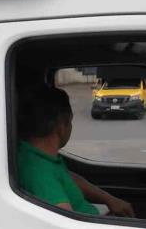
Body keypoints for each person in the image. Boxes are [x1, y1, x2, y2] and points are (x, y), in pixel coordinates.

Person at [17, 84, 135, 217]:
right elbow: (66, 225)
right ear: (62, 125)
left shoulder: (36, 155)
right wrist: (110, 222)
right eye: (71, 121)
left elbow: (68, 177)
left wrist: (109, 199)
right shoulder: (40, 173)